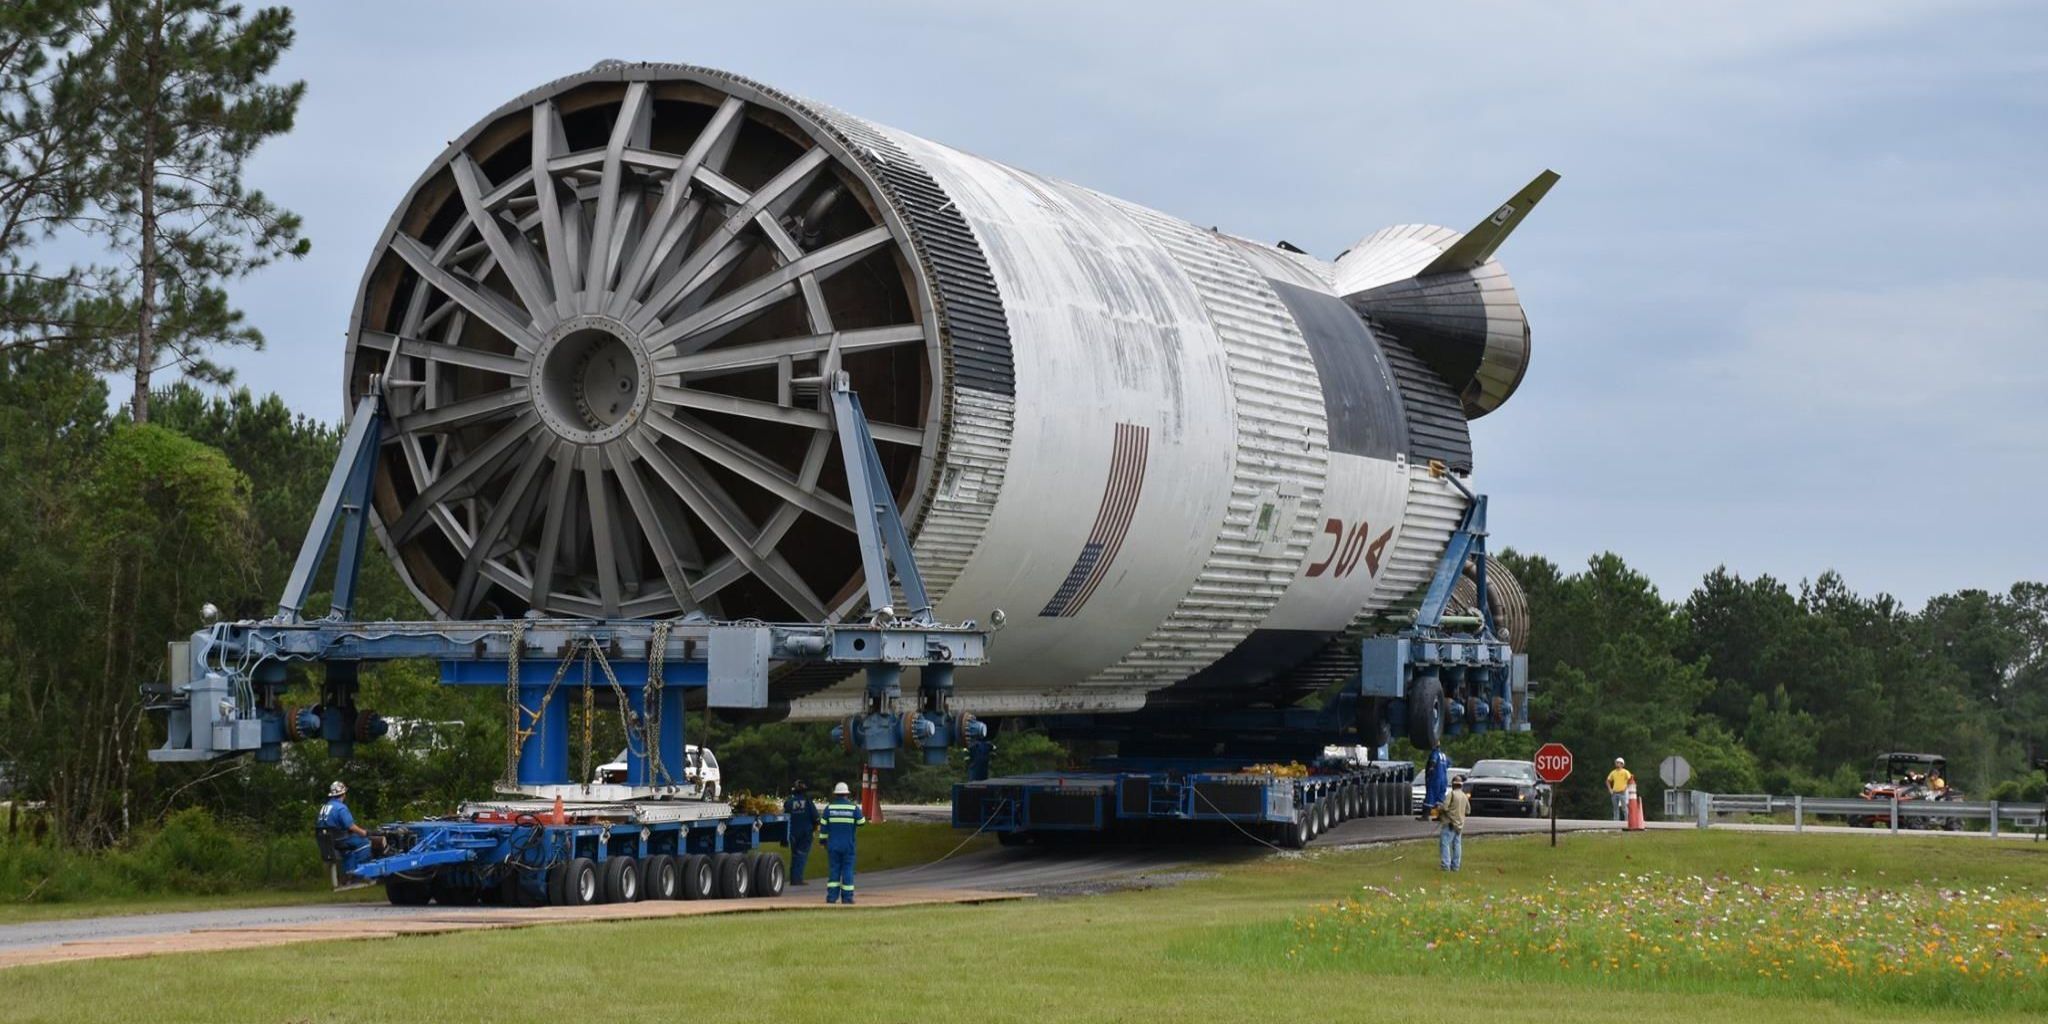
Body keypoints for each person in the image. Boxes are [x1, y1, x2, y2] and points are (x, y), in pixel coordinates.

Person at [818, 781, 867, 905]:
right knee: (847, 871)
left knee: (834, 870)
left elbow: (823, 828)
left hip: (833, 846)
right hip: (848, 845)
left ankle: (831, 898)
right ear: (846, 794)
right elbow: (862, 822)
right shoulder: (853, 808)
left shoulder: (829, 808)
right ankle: (847, 898)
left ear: (836, 794)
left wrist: (823, 841)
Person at [316, 781, 368, 855]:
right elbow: (351, 826)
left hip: (325, 842)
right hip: (339, 840)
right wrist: (363, 833)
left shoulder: (324, 807)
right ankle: (352, 866)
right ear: (343, 794)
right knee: (365, 842)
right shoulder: (341, 808)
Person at [783, 780, 819, 886]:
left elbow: (785, 815)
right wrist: (815, 828)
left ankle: (793, 878)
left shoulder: (789, 802)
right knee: (801, 855)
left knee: (794, 855)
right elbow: (815, 817)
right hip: (805, 833)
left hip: (792, 832)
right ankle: (797, 879)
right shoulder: (808, 802)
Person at [1438, 777, 1470, 871]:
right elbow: (1468, 810)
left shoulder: (1451, 794)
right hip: (1460, 825)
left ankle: (1445, 865)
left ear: (1453, 784)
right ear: (1461, 785)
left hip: (1450, 823)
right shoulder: (1464, 796)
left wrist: (1440, 809)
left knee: (1445, 843)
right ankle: (1456, 866)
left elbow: (1445, 807)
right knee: (1457, 845)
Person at [1422, 745, 1451, 819]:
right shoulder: (1444, 755)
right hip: (1443, 779)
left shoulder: (1435, 753)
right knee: (1440, 798)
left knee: (1430, 796)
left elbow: (1433, 761)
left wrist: (1430, 770)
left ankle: (1425, 816)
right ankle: (1441, 816)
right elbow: (1449, 764)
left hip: (1435, 778)